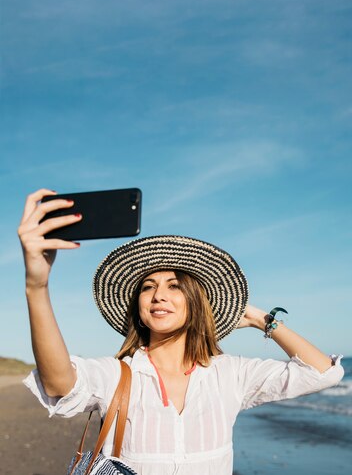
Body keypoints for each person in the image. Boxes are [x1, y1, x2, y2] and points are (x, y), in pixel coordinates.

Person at [19, 189, 344, 475]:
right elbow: (60, 384)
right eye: (148, 287)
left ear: (195, 303)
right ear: (139, 307)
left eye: (174, 287)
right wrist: (37, 285)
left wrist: (263, 320)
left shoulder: (230, 374)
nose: (158, 295)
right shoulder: (117, 375)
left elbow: (323, 374)